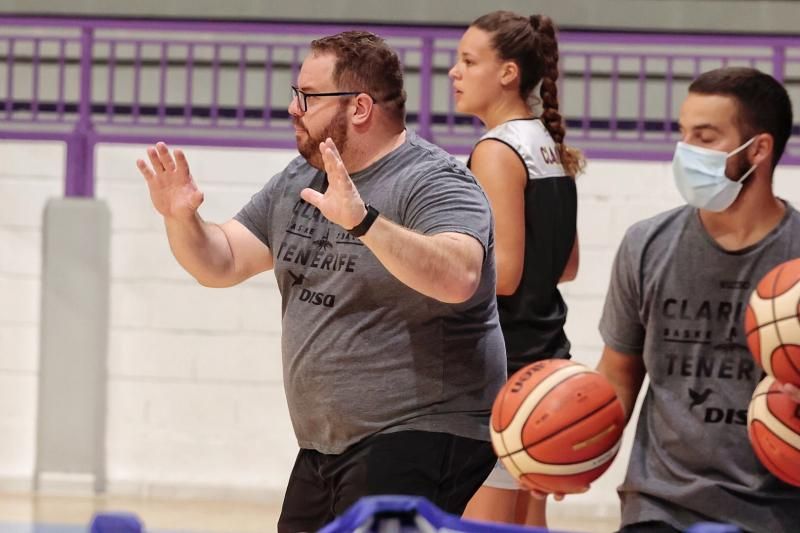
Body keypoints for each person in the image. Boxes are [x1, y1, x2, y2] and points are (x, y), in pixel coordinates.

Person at [135, 30, 507, 532]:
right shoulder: (298, 180)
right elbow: (220, 262)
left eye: (306, 96)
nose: (293, 107)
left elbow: (461, 275)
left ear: (358, 107)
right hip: (327, 445)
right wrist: (180, 218)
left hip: (421, 429)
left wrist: (364, 221)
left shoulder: (435, 180)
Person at [595, 66, 800, 532]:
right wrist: (571, 449)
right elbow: (619, 374)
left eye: (705, 137)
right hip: (658, 506)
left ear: (759, 150)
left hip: (776, 511)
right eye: (683, 133)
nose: (686, 151)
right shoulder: (646, 245)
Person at [448, 10, 583, 526]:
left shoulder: (495, 150)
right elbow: (566, 265)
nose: (455, 73)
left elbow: (502, 275)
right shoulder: (548, 144)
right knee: (530, 523)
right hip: (548, 362)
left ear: (508, 73)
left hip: (505, 370)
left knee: (487, 524)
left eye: (468, 61)